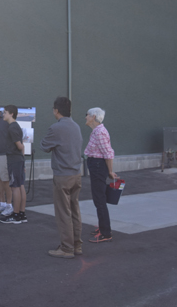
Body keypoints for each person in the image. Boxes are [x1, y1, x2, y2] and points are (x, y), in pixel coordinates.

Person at [40, 96, 84, 259]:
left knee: (63, 212)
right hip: (76, 174)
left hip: (62, 175)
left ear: (56, 110)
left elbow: (44, 146)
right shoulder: (76, 126)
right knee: (74, 210)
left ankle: (66, 248)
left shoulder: (56, 128)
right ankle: (77, 245)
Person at [84, 107, 118, 244]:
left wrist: (110, 171)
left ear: (93, 117)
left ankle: (105, 232)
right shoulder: (96, 131)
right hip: (96, 165)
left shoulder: (100, 132)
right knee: (98, 198)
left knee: (99, 199)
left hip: (98, 166)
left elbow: (108, 153)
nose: (85, 117)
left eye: (87, 115)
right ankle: (103, 228)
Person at [0, 105, 27, 224]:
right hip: (17, 160)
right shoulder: (15, 126)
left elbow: (20, 146)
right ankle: (21, 213)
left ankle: (16, 215)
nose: (3, 115)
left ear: (11, 114)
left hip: (14, 160)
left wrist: (21, 153)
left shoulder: (12, 128)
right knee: (20, 186)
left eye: (5, 112)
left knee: (15, 187)